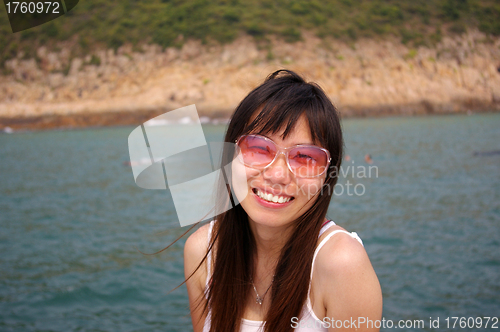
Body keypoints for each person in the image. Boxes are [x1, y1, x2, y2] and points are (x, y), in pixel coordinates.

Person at [184, 70, 382, 332]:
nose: (277, 175)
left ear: (328, 175)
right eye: (257, 148)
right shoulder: (203, 252)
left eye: (305, 157)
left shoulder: (340, 266)